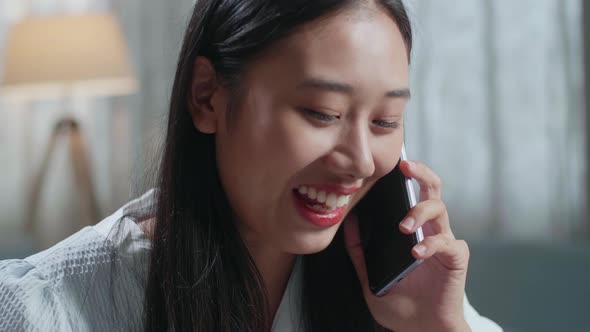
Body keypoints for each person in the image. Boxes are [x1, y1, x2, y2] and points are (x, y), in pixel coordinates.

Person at [0, 0, 504, 331]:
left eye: (385, 121)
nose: (359, 162)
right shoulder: (43, 310)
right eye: (321, 113)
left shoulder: (409, 296)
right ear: (207, 97)